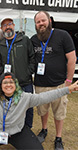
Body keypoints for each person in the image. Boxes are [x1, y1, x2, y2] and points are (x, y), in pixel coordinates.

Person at [31, 11, 77, 150]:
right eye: (38, 22)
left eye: (43, 20)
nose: (41, 24)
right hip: (40, 84)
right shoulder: (34, 39)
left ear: (50, 20)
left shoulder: (62, 35)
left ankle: (58, 137)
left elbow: (72, 59)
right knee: (42, 111)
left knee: (59, 113)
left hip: (59, 84)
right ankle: (44, 130)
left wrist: (69, 81)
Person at [0, 17, 35, 128]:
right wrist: (3, 75)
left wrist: (28, 73)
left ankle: (27, 128)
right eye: (4, 25)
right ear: (1, 29)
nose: (7, 27)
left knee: (28, 106)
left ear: (14, 26)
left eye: (10, 24)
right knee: (10, 107)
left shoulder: (24, 40)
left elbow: (32, 58)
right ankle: (12, 129)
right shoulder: (1, 44)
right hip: (8, 84)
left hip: (25, 82)